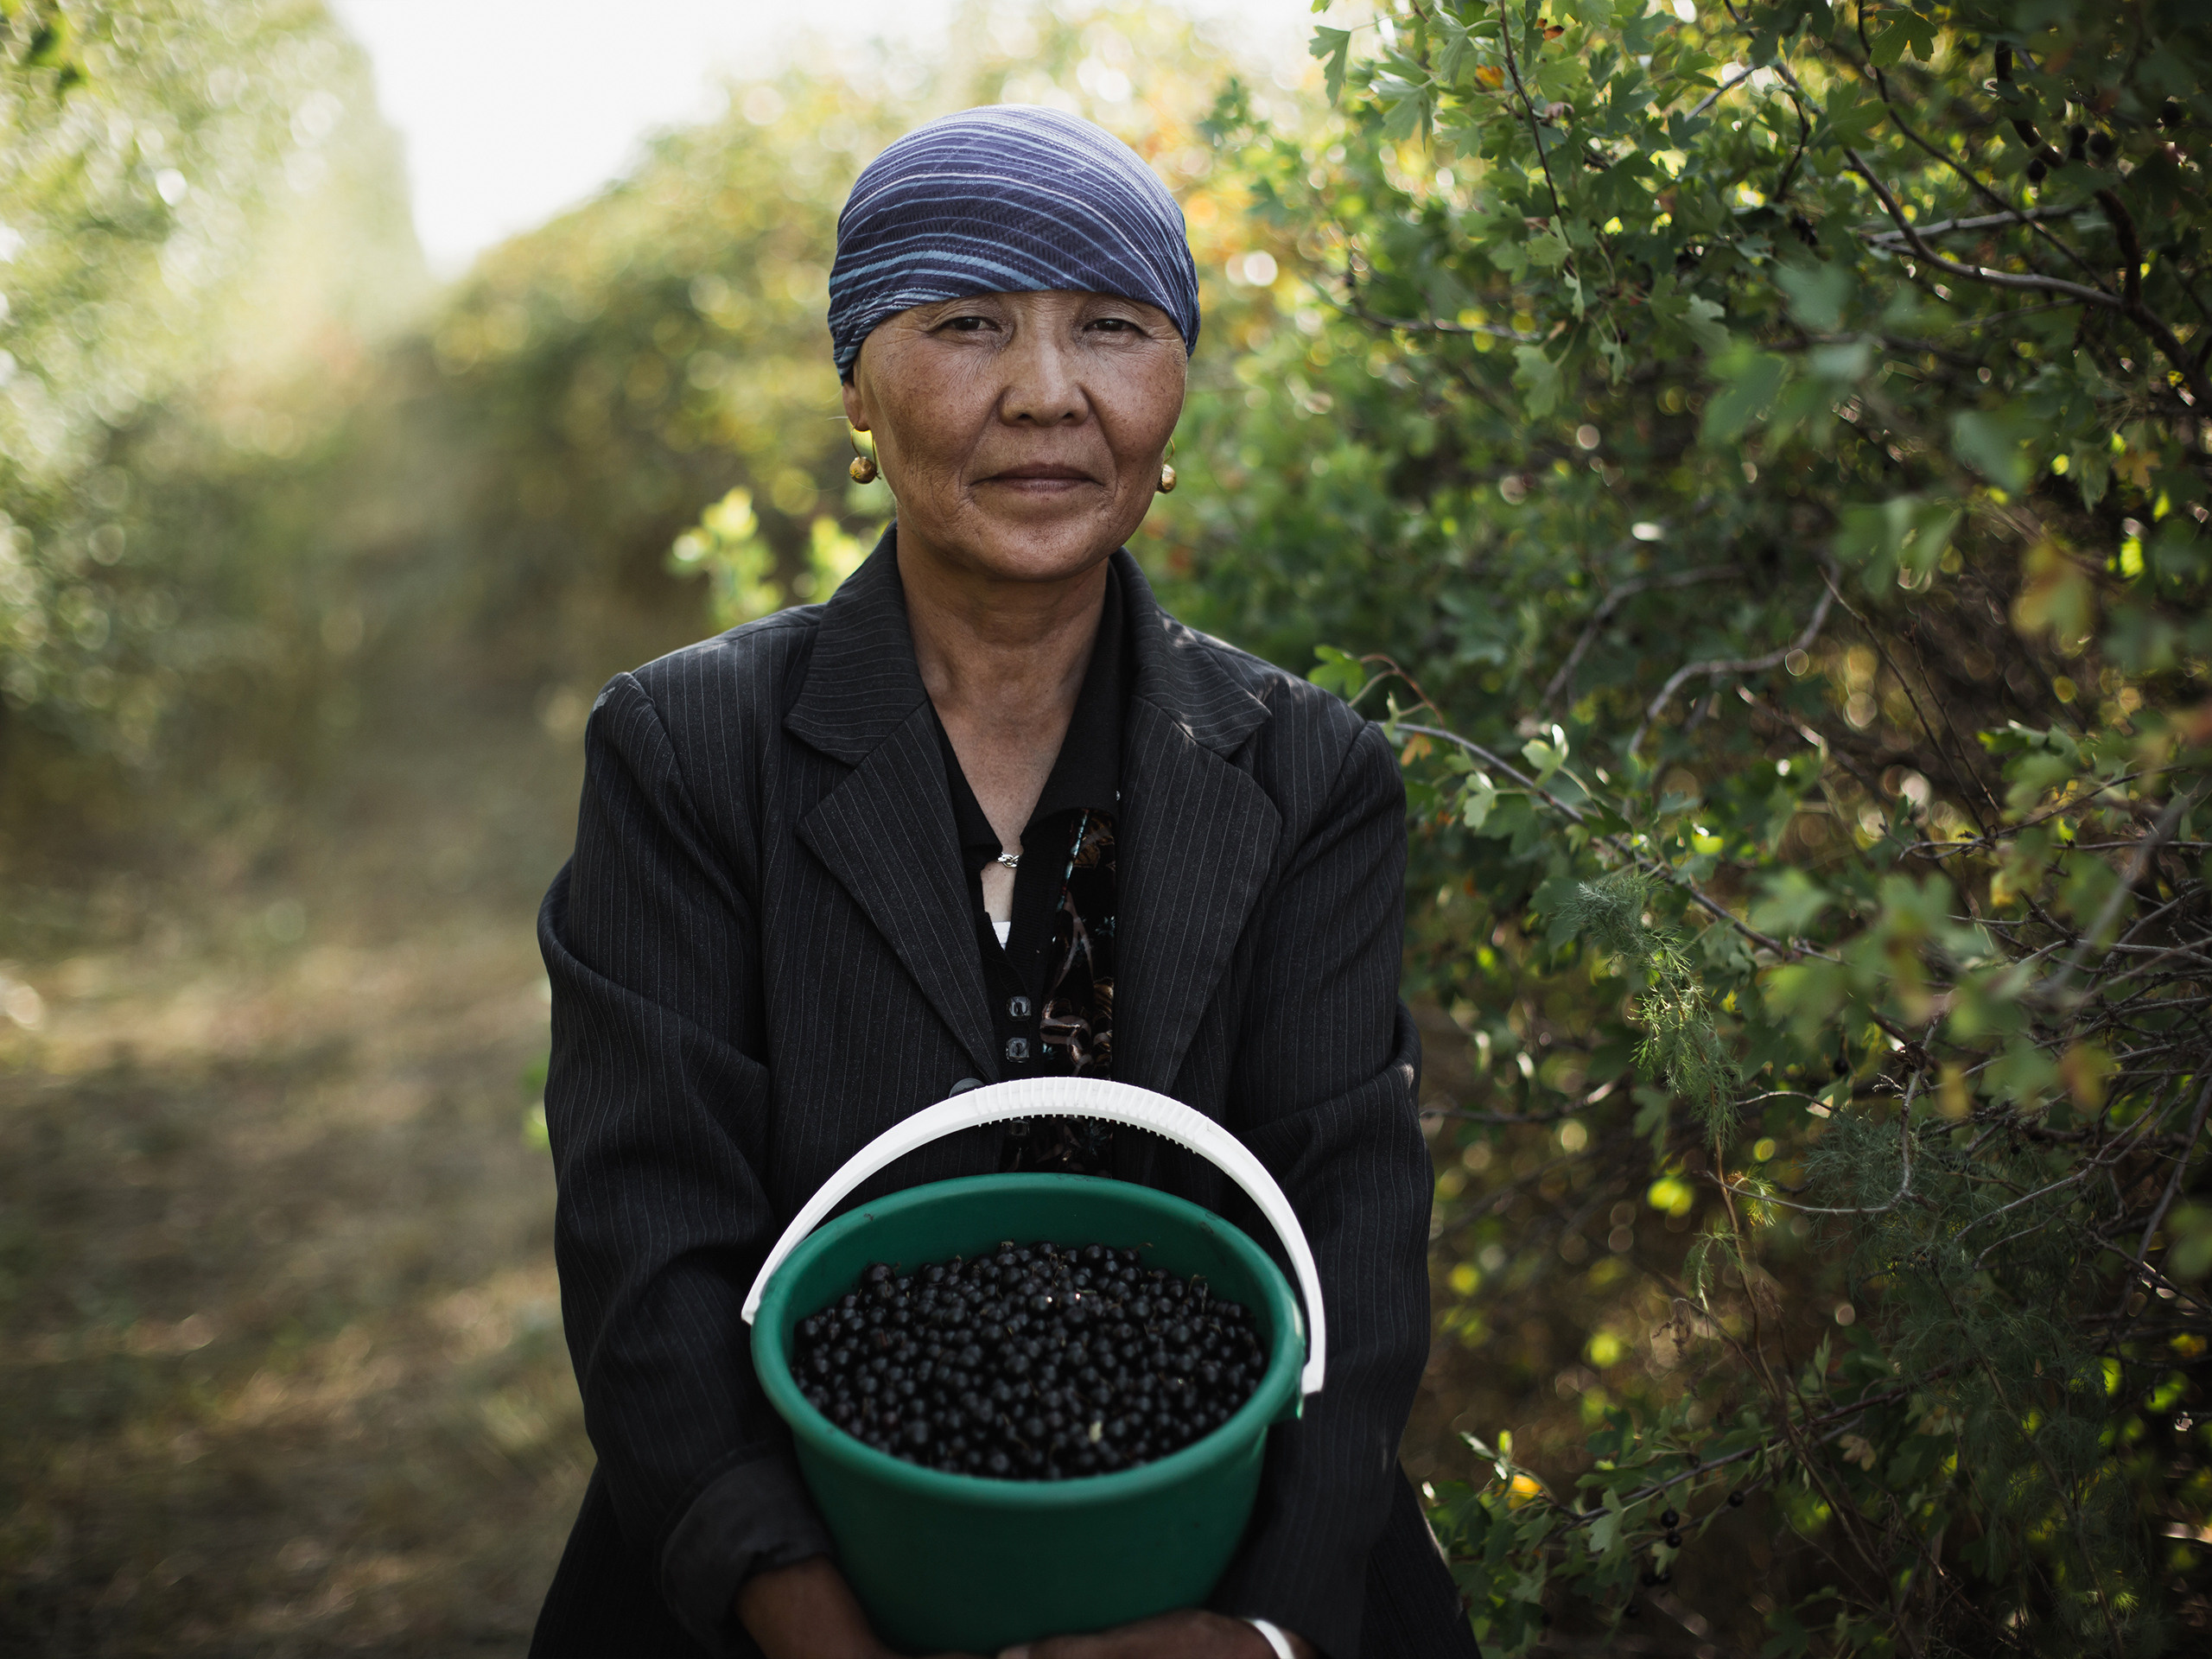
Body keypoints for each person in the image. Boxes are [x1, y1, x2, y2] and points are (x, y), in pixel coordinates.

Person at [530, 105, 1478, 1659]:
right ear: (857, 384)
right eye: (967, 325)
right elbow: (649, 1237)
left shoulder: (1306, 777)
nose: (1048, 395)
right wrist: (806, 1613)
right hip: (789, 1559)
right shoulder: (691, 751)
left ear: (1176, 379)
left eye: (1111, 327)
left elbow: (1349, 1240)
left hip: (1219, 1550)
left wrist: (1259, 1632)